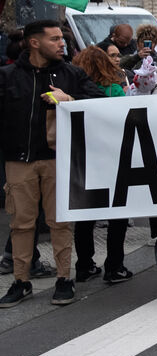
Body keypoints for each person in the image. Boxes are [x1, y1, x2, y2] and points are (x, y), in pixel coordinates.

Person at [0, 21, 106, 309]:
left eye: (62, 38)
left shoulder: (71, 74)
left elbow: (100, 103)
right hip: (18, 161)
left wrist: (68, 99)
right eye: (55, 39)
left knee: (60, 222)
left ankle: (64, 278)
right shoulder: (8, 76)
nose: (62, 43)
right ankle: (21, 281)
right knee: (21, 224)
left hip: (58, 160)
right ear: (34, 43)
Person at [69, 47, 134, 284]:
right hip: (113, 156)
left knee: (85, 214)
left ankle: (84, 265)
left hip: (84, 157)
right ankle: (114, 266)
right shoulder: (114, 90)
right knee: (117, 213)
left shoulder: (71, 92)